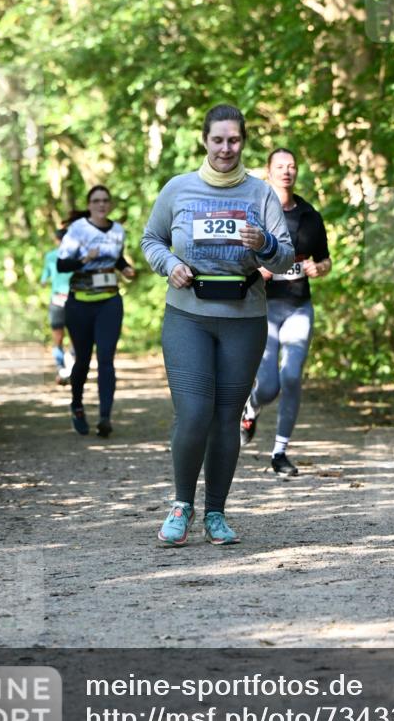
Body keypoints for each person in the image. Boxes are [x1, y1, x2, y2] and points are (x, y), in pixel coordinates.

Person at [141, 103, 294, 548]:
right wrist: (169, 264)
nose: (226, 148)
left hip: (244, 318)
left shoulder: (259, 194)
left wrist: (263, 242)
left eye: (234, 140)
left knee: (226, 419)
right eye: (218, 140)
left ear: (243, 142)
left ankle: (216, 514)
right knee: (193, 414)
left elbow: (284, 256)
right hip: (188, 315)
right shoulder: (179, 189)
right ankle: (181, 505)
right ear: (204, 141)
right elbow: (151, 240)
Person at [240, 148, 331, 475]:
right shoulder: (256, 211)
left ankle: (280, 452)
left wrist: (319, 268)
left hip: (297, 307)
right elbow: (238, 258)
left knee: (291, 376)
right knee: (268, 386)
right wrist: (258, 269)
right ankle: (252, 406)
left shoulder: (309, 215)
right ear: (269, 171)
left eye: (291, 166)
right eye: (280, 166)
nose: (286, 171)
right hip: (263, 309)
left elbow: (325, 260)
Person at [57, 186, 135, 437]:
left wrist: (125, 269)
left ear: (110, 204)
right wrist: (84, 259)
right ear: (89, 204)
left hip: (109, 302)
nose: (101, 205)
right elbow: (61, 265)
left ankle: (105, 417)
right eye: (96, 201)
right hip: (79, 302)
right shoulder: (78, 229)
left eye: (105, 201)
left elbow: (117, 258)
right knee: (83, 360)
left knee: (106, 358)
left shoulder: (118, 230)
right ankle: (77, 405)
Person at [41, 228, 75, 384]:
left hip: (57, 299)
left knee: (58, 338)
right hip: (74, 299)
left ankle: (62, 368)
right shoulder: (77, 256)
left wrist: (44, 281)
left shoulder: (50, 256)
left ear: (56, 240)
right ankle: (68, 368)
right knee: (76, 337)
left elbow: (43, 278)